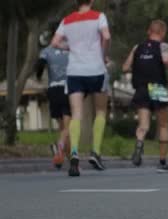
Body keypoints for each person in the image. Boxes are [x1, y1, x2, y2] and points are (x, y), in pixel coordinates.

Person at [51, 0, 111, 177]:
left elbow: (54, 42)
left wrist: (69, 47)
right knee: (100, 111)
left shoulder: (67, 20)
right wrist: (103, 55)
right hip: (96, 69)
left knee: (76, 113)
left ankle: (75, 154)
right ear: (91, 1)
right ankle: (95, 152)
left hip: (75, 71)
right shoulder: (99, 16)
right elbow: (106, 37)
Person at [122, 20, 168, 173]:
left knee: (143, 126)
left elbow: (125, 67)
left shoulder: (137, 47)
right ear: (163, 33)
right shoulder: (163, 46)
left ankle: (139, 144)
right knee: (163, 125)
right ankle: (162, 162)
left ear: (149, 31)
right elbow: (166, 59)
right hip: (157, 88)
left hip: (141, 89)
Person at [36, 22, 71, 169]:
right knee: (68, 127)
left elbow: (39, 66)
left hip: (53, 90)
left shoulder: (46, 51)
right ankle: (60, 148)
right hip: (68, 89)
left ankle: (68, 160)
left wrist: (38, 77)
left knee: (63, 127)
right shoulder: (71, 49)